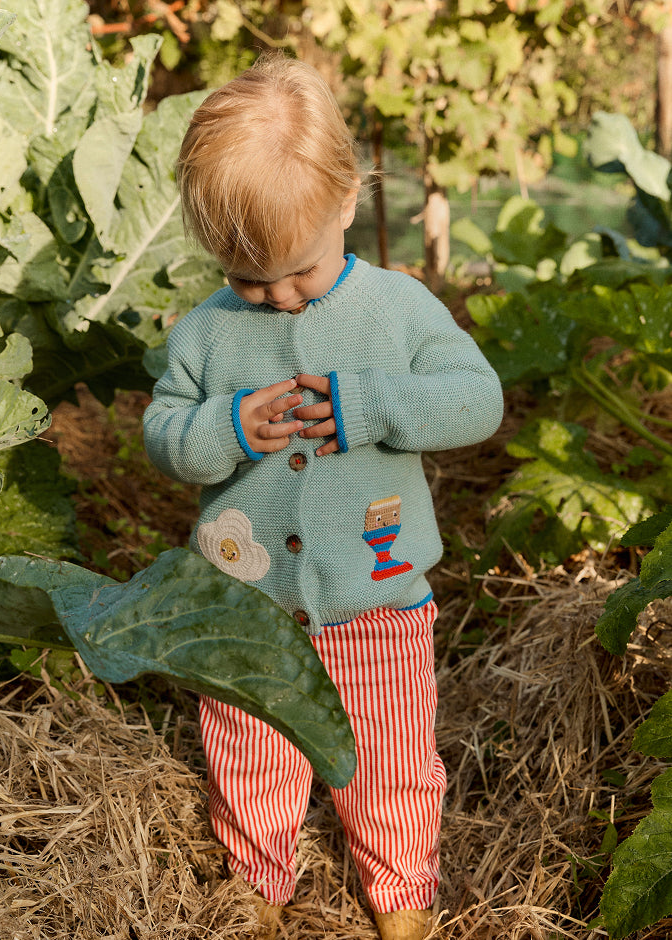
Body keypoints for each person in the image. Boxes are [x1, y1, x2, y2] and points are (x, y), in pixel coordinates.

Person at [143, 53, 503, 940]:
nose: (275, 295)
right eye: (247, 277)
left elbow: (476, 401)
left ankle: (400, 891)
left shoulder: (399, 310)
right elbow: (164, 436)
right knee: (250, 756)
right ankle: (258, 884)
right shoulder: (207, 333)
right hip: (249, 608)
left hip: (374, 599)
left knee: (389, 760)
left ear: (346, 203)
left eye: (297, 272)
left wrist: (377, 405)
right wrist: (224, 426)